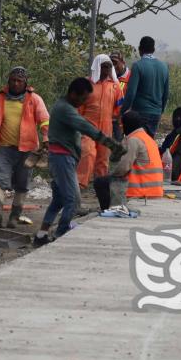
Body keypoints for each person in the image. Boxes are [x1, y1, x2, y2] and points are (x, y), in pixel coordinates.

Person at [34, 78, 125, 246]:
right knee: (73, 200)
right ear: (73, 93)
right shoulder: (65, 110)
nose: (83, 102)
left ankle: (41, 235)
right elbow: (85, 126)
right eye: (82, 99)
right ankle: (61, 233)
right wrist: (109, 142)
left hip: (62, 158)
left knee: (59, 200)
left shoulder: (65, 107)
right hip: (62, 159)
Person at [0, 67, 50, 228]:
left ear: (25, 83)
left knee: (22, 184)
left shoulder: (34, 99)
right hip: (3, 148)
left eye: (19, 81)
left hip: (27, 151)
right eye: (13, 80)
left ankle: (14, 216)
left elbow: (44, 120)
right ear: (8, 81)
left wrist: (46, 138)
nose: (15, 83)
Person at [93, 111, 163, 215]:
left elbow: (123, 167)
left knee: (101, 182)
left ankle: (110, 209)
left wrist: (111, 174)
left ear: (126, 125)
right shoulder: (148, 138)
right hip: (155, 189)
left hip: (140, 189)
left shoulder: (133, 140)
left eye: (122, 125)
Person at [76, 54, 123, 191]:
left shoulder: (115, 87)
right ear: (97, 67)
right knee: (88, 153)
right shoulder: (86, 84)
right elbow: (78, 107)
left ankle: (101, 186)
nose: (107, 70)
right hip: (88, 127)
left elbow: (119, 107)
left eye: (109, 67)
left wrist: (119, 123)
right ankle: (80, 184)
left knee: (103, 158)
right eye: (104, 67)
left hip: (106, 128)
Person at [121, 36, 169, 137]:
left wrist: (122, 111)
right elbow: (166, 94)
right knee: (149, 142)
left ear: (140, 49)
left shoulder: (138, 66)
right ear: (154, 49)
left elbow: (131, 93)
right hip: (156, 112)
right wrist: (160, 110)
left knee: (139, 142)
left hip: (140, 112)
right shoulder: (164, 66)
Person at [110, 51, 131, 142]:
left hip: (123, 120)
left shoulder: (131, 77)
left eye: (115, 63)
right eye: (111, 64)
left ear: (123, 62)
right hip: (108, 119)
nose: (113, 67)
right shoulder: (108, 76)